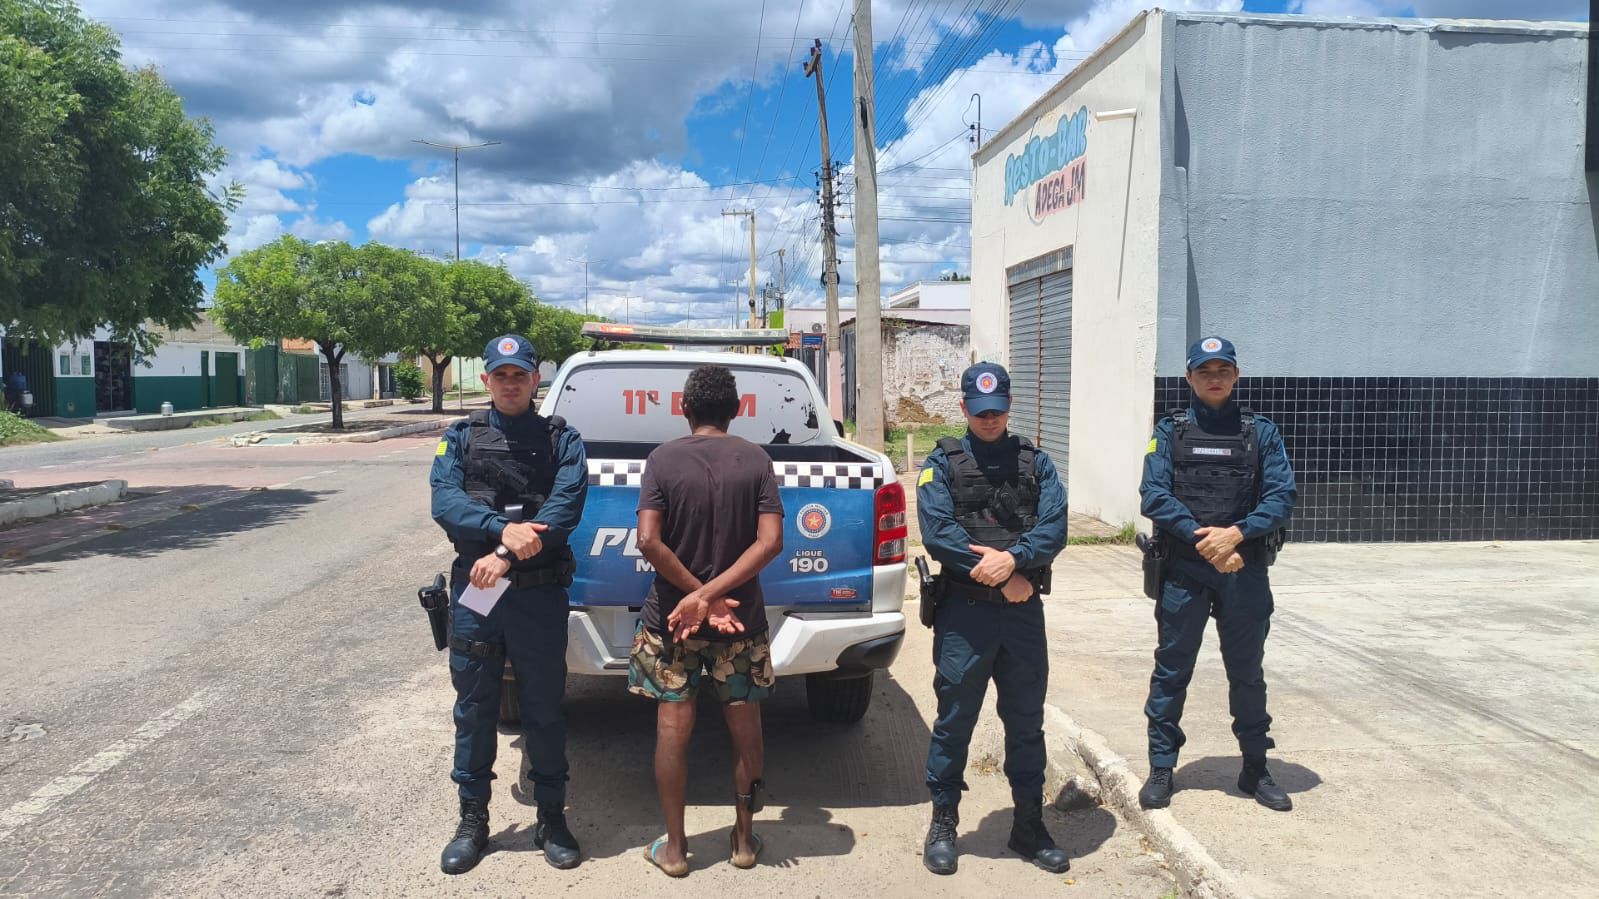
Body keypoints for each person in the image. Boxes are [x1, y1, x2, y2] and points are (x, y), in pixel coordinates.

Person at [428, 334, 589, 874]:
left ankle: (551, 817)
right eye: (501, 375)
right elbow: (445, 503)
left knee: (543, 709)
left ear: (536, 379)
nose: (511, 383)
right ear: (487, 380)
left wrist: (502, 553)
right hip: (480, 590)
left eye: (520, 374)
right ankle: (472, 820)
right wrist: (501, 532)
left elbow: (563, 511)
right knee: (475, 708)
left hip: (538, 591)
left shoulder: (563, 440)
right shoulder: (460, 437)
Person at [916, 362, 1070, 876]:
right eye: (980, 411)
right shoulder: (941, 464)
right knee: (954, 721)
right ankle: (943, 824)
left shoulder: (1036, 463)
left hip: (1023, 616)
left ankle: (1029, 825)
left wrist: (1016, 557)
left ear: (1009, 407)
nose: (989, 419)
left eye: (997, 410)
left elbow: (1054, 527)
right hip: (965, 615)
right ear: (964, 408)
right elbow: (938, 534)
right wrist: (1005, 576)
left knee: (1026, 722)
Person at [630, 364, 784, 877]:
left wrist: (697, 597)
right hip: (741, 623)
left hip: (673, 621)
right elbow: (771, 542)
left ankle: (675, 850)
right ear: (736, 410)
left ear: (684, 408)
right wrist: (714, 597)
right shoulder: (756, 459)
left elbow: (648, 540)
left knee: (673, 725)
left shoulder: (662, 459)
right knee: (746, 727)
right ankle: (743, 842)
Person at [1136, 336, 1297, 813]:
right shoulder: (1169, 432)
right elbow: (1154, 495)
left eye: (1223, 370)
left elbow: (1281, 496)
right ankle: (1161, 767)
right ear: (1189, 378)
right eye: (1204, 371)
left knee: (1247, 672)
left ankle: (1255, 767)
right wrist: (1206, 541)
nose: (1214, 379)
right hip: (1185, 570)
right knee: (1172, 670)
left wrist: (1237, 534)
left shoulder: (1261, 433)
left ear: (1236, 376)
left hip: (1242, 570)